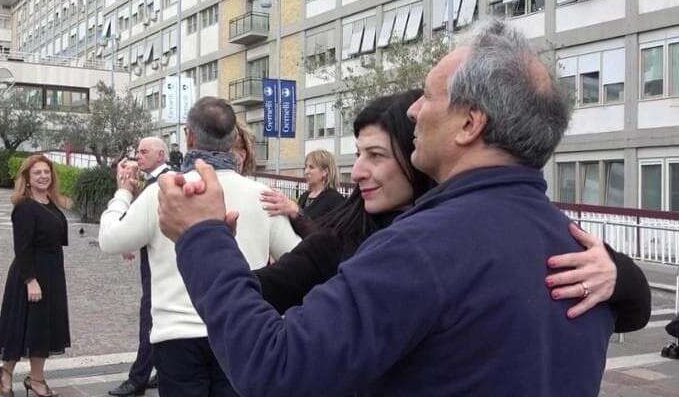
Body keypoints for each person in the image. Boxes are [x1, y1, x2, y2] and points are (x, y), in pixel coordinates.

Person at [157, 20, 624, 396]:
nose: (415, 109)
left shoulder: (423, 247)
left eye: (429, 94)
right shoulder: (577, 248)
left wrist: (203, 239)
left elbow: (274, 367)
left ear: (469, 123)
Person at [253, 91, 650, 332]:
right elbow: (269, 290)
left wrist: (614, 272)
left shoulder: (471, 227)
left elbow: (635, 307)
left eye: (375, 155)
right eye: (358, 154)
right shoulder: (340, 238)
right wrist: (207, 255)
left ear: (419, 153)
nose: (357, 171)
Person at [99, 96, 300, 397]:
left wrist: (122, 194)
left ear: (189, 136)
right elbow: (298, 261)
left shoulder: (164, 192)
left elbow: (110, 240)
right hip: (240, 329)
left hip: (176, 333)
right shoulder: (263, 196)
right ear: (233, 139)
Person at [0, 154, 71, 397]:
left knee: (43, 329)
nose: (43, 176)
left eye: (46, 172)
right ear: (27, 178)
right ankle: (6, 372)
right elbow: (22, 248)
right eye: (37, 172)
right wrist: (30, 280)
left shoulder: (50, 203)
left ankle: (36, 379)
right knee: (21, 327)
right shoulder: (24, 207)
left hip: (52, 273)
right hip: (31, 275)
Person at [108, 137, 170, 397]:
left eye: (144, 152)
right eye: (138, 151)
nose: (138, 156)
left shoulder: (163, 182)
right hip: (155, 259)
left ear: (161, 155)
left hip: (161, 264)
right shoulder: (154, 181)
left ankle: (138, 379)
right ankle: (162, 371)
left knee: (151, 318)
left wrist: (123, 190)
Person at [260, 149, 344, 223]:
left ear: (325, 172)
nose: (306, 171)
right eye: (306, 167)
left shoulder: (335, 200)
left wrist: (297, 212)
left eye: (311, 167)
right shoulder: (304, 196)